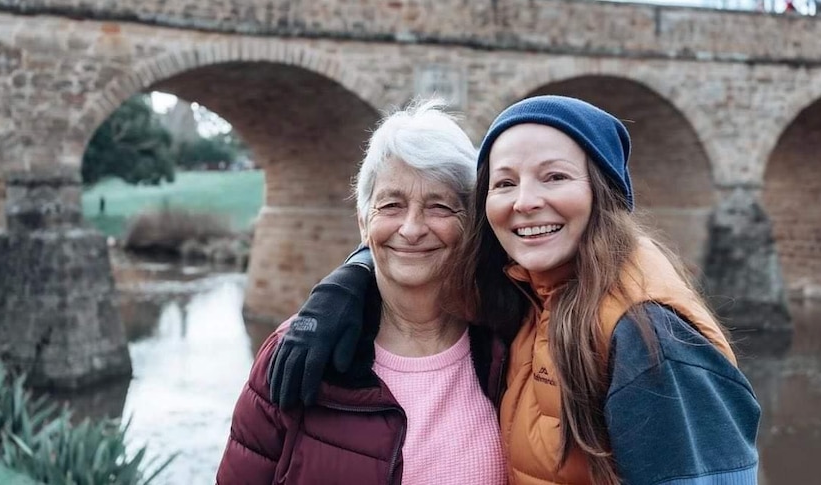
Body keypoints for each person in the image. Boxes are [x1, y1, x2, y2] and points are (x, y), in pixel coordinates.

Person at [269, 95, 761, 484]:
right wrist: (348, 283)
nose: (526, 202)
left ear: (602, 192)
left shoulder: (648, 337)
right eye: (504, 183)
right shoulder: (520, 295)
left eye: (554, 176)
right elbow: (405, 239)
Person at [215, 100, 508, 485]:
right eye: (391, 205)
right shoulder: (295, 352)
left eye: (439, 206)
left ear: (471, 224)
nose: (412, 227)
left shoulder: (511, 343)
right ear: (363, 223)